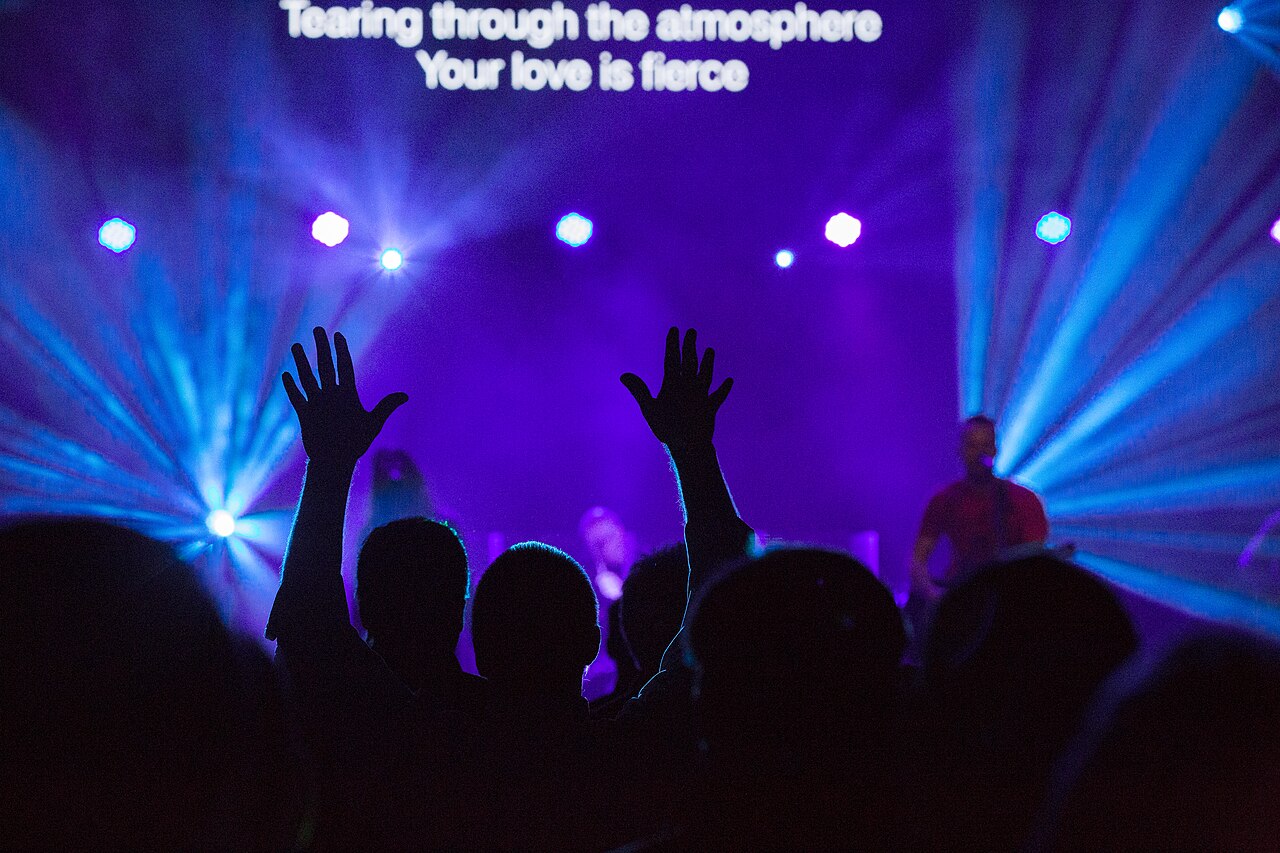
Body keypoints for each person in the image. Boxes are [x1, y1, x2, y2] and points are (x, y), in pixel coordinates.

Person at [909, 415, 1048, 604]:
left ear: (995, 451)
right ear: (960, 450)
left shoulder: (1024, 499)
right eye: (972, 446)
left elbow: (1036, 558)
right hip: (962, 599)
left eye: (986, 445)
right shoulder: (944, 500)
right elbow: (918, 561)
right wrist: (935, 596)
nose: (979, 453)